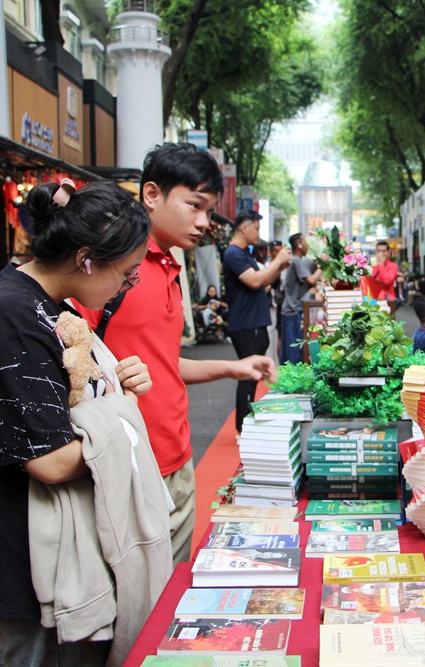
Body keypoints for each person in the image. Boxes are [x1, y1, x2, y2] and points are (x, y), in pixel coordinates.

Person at [0, 180, 167, 665]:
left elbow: (72, 401)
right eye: (128, 274)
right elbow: (50, 461)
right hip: (29, 547)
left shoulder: (44, 303)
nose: (126, 286)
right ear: (87, 258)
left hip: (51, 538)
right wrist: (125, 417)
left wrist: (117, 384)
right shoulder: (13, 315)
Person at [74, 143, 279, 564]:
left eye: (208, 210)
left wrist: (233, 367)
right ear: (152, 195)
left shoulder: (168, 267)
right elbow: (73, 359)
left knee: (169, 597)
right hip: (129, 466)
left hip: (178, 456)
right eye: (194, 206)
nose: (204, 222)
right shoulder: (110, 267)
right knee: (136, 607)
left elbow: (162, 363)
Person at [223, 208, 293, 433]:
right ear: (244, 227)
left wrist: (278, 267)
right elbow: (254, 281)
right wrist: (278, 261)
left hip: (253, 322)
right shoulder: (233, 253)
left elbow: (262, 282)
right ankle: (242, 428)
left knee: (252, 377)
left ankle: (245, 423)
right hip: (246, 324)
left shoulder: (244, 253)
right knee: (247, 375)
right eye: (256, 228)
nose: (258, 233)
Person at [280, 232, 321, 364]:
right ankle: (292, 380)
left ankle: (285, 379)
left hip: (292, 310)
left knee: (290, 348)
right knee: (294, 350)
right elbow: (311, 280)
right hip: (292, 310)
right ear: (298, 245)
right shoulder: (296, 261)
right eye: (304, 242)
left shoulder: (299, 261)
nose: (307, 245)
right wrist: (322, 266)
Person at [370, 240, 399, 310]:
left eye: (383, 251)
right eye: (379, 251)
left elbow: (387, 281)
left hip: (387, 301)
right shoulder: (373, 267)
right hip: (373, 300)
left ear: (388, 252)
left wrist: (380, 265)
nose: (381, 254)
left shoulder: (393, 266)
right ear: (375, 252)